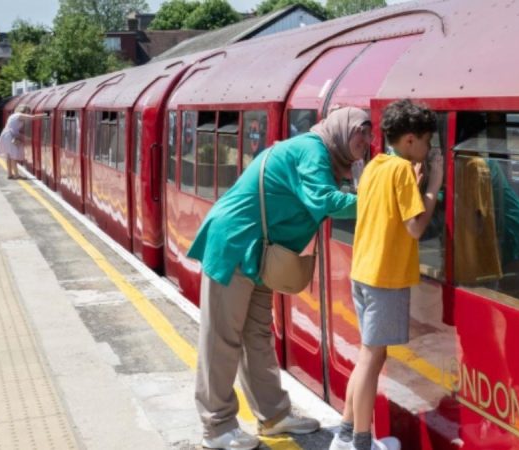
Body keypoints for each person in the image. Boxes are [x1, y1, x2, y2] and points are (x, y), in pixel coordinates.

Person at [187, 107, 372, 450]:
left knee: (256, 334)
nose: (366, 139)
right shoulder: (313, 150)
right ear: (342, 128)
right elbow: (325, 201)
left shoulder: (327, 155)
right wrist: (381, 200)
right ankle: (216, 427)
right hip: (236, 244)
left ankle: (272, 416)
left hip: (261, 253)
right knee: (221, 338)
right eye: (360, 129)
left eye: (369, 131)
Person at [331, 99, 441, 450]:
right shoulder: (403, 171)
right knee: (371, 357)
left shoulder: (375, 165)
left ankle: (345, 434)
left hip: (364, 272)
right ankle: (361, 442)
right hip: (385, 278)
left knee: (368, 355)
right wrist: (433, 187)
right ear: (410, 140)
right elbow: (415, 228)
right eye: (427, 141)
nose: (429, 149)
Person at [0, 105, 38, 179]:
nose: (29, 113)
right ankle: (16, 175)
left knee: (9, 156)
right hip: (11, 136)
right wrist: (45, 115)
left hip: (7, 136)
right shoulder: (19, 115)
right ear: (24, 111)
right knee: (13, 156)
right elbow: (33, 117)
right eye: (28, 111)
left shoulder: (13, 116)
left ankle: (9, 174)